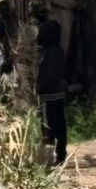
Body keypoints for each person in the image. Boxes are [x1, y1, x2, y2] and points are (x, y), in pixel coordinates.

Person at [36, 11, 68, 166]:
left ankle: (58, 155)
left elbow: (51, 75)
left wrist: (40, 86)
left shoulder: (54, 52)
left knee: (54, 126)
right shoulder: (48, 51)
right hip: (50, 95)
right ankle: (56, 154)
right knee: (53, 125)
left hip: (52, 96)